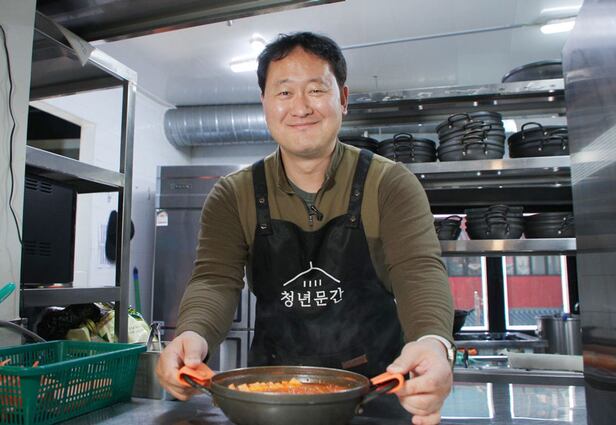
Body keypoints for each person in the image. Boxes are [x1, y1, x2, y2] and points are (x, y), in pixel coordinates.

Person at [157, 31, 454, 425]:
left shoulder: (389, 184)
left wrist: (434, 343)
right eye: (284, 92)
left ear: (342, 99)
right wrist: (191, 335)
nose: (300, 107)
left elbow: (418, 270)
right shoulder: (233, 194)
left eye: (316, 90)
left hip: (375, 394)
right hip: (269, 397)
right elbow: (214, 279)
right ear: (264, 102)